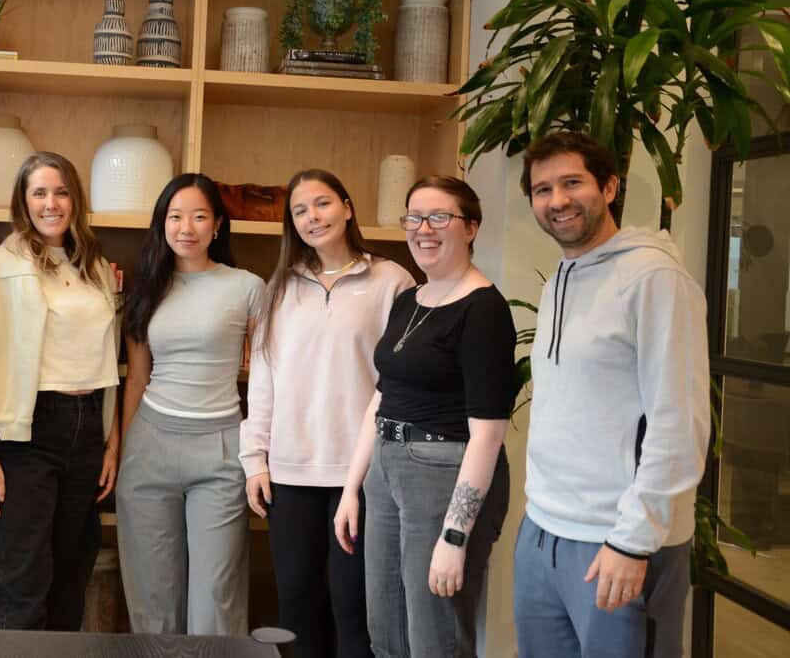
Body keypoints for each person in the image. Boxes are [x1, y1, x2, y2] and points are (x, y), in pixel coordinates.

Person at [513, 131, 709, 658]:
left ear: (610, 186)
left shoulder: (655, 278)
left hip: (617, 541)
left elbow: (679, 422)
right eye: (542, 189)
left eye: (572, 182)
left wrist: (633, 539)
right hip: (544, 529)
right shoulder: (562, 273)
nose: (557, 200)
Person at [334, 175, 515, 658]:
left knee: (435, 636)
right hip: (387, 466)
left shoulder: (484, 310)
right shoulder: (409, 300)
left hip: (442, 472)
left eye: (440, 217)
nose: (424, 229)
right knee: (386, 634)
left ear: (471, 227)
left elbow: (488, 435)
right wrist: (353, 487)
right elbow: (382, 395)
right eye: (414, 217)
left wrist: (455, 535)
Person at [239, 169, 415, 657]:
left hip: (357, 475)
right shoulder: (281, 287)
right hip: (290, 474)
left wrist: (367, 472)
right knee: (296, 605)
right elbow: (264, 379)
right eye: (299, 211)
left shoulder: (391, 280)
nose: (312, 217)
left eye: (322, 204)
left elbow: (397, 382)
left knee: (353, 605)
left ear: (347, 206)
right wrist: (255, 459)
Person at [0, 151, 120, 630]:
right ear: (23, 203)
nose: (52, 203)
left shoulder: (95, 266)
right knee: (19, 575)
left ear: (76, 200)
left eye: (62, 191)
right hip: (26, 432)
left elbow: (108, 360)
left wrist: (110, 441)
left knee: (72, 568)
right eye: (40, 193)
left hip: (87, 426)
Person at [116, 173, 262, 635]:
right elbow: (137, 378)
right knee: (152, 599)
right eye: (175, 217)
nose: (186, 227)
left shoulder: (247, 287)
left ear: (217, 224)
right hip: (149, 445)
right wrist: (121, 454)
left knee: (214, 601)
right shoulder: (147, 288)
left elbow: (264, 379)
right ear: (162, 224)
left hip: (221, 450)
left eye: (199, 216)